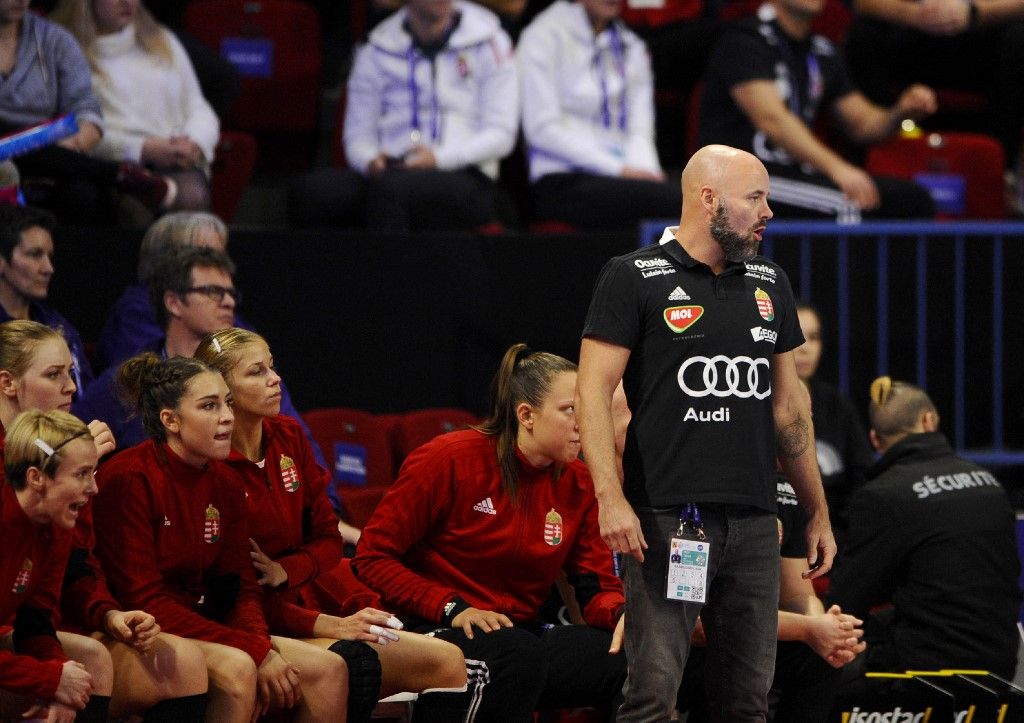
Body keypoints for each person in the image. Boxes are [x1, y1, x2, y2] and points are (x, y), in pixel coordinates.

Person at [576, 144, 835, 721]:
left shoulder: (770, 281)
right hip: (668, 517)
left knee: (748, 702)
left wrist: (816, 510)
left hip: (754, 521)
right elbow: (590, 393)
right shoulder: (631, 275)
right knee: (652, 696)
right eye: (756, 198)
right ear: (709, 198)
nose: (769, 212)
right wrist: (609, 497)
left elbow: (790, 411)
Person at [195, 327, 468, 723]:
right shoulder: (212, 463)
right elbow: (238, 593)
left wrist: (287, 569)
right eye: (257, 372)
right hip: (253, 618)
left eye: (272, 366)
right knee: (350, 667)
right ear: (224, 390)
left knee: (447, 660)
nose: (275, 379)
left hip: (306, 598)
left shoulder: (289, 436)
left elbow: (328, 538)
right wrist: (331, 623)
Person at [354, 343, 627, 722]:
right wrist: (452, 608)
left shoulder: (580, 482)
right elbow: (372, 557)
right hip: (431, 627)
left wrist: (624, 616)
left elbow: (595, 589)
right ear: (527, 415)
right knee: (515, 655)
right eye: (570, 410)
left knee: (627, 656)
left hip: (517, 637)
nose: (585, 422)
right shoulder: (448, 458)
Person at [92, 353, 349, 722]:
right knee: (239, 666)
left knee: (328, 669)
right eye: (209, 406)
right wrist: (254, 651)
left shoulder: (225, 481)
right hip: (134, 629)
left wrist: (261, 646)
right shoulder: (130, 479)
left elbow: (241, 587)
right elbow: (144, 599)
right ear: (171, 421)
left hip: (195, 623)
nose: (228, 416)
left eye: (227, 402)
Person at [0, 319, 211, 721]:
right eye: (53, 374)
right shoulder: (37, 486)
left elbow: (64, 581)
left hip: (33, 624)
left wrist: (105, 616)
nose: (72, 388)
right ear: (8, 383)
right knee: (91, 664)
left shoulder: (56, 497)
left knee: (159, 664)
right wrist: (48, 679)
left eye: (70, 372)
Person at [827, 376, 1021, 678]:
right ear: (930, 420)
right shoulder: (989, 482)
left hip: (927, 672)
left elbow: (847, 602)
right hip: (1002, 661)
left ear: (875, 439)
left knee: (816, 648)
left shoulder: (883, 494)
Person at [697, 0, 937, 221]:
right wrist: (838, 169)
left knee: (912, 200)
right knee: (846, 206)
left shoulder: (822, 50)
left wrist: (900, 112)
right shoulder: (744, 39)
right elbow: (772, 120)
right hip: (739, 177)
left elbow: (862, 123)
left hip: (796, 174)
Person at [289, 0, 519, 230]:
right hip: (393, 167)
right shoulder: (376, 48)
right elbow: (358, 135)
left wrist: (438, 159)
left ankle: (389, 266)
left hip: (465, 174)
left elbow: (501, 135)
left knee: (392, 192)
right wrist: (370, 161)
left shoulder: (489, 42)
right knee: (311, 192)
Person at [75, 246, 313, 454]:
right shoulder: (125, 382)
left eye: (231, 293)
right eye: (213, 292)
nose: (229, 302)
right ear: (174, 303)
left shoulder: (255, 374)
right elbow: (65, 446)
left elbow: (303, 448)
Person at [0, 0, 176, 223]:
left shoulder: (53, 38)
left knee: (83, 193)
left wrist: (71, 144)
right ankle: (116, 175)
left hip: (50, 151)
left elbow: (85, 109)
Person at [516, 0, 680, 230]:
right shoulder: (542, 36)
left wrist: (648, 174)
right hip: (562, 178)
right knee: (680, 202)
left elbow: (640, 128)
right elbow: (541, 130)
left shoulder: (631, 45)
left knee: (687, 197)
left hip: (623, 177)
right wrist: (620, 170)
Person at [843, 0, 1024, 206]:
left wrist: (974, 13)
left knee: (1019, 38)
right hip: (912, 31)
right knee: (863, 34)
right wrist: (915, 15)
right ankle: (871, 168)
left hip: (981, 31)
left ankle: (1001, 173)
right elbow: (862, 4)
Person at [51, 0, 220, 212]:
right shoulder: (64, 48)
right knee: (133, 205)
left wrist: (194, 143)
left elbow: (198, 106)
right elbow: (74, 132)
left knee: (192, 194)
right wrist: (142, 150)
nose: (127, 2)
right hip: (110, 162)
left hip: (173, 156)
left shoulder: (162, 39)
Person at [0, 408, 112, 722]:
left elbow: (36, 623)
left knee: (87, 667)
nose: (94, 488)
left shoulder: (56, 526)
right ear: (36, 477)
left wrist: (60, 676)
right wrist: (48, 680)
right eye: (81, 474)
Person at [97, 211, 228, 369]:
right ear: (169, 259)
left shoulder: (224, 303)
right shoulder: (134, 314)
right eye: (206, 256)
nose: (219, 265)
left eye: (220, 255)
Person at [793, 302, 874, 532]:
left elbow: (862, 476)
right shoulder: (757, 402)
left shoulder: (837, 405)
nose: (805, 348)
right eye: (796, 336)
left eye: (814, 337)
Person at [0, 205, 93, 394]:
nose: (48, 268)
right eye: (35, 255)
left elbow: (85, 400)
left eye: (49, 257)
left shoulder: (60, 328)